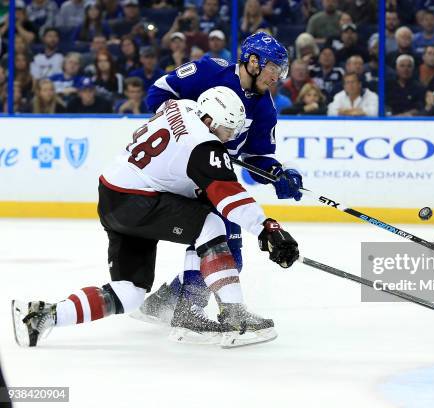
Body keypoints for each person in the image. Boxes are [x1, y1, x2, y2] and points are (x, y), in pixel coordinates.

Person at [12, 87, 299, 348]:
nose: (228, 138)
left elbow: (175, 153)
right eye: (225, 130)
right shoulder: (205, 146)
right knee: (210, 224)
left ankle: (43, 316)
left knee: (130, 292)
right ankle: (233, 317)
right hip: (137, 200)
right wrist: (267, 228)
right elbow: (229, 196)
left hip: (114, 196)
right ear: (210, 121)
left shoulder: (182, 105)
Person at [140, 32, 303, 325]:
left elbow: (255, 158)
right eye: (273, 68)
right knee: (209, 234)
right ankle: (189, 307)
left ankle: (165, 302)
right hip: (185, 170)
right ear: (254, 62)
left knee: (233, 258)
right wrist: (187, 129)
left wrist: (278, 174)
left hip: (216, 176)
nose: (277, 77)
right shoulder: (208, 71)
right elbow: (157, 93)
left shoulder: (265, 107)